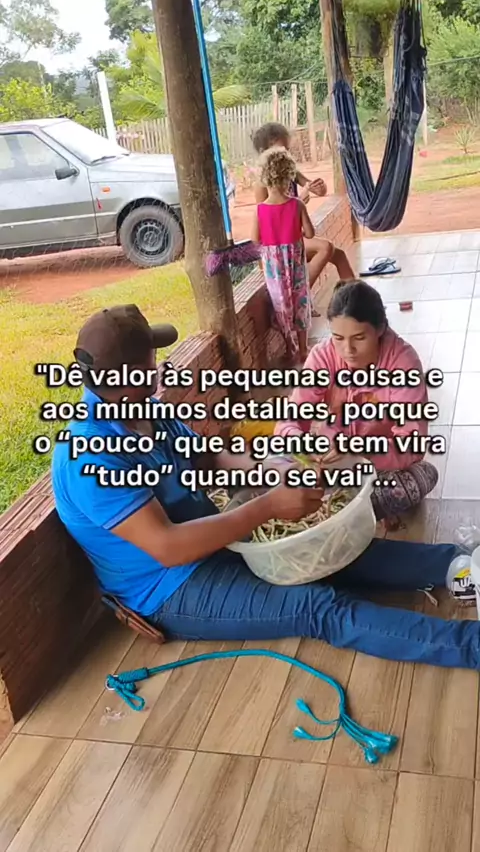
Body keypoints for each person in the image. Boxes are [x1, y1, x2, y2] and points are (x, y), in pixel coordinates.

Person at [52, 304, 480, 672]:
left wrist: (269, 469)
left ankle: (460, 563)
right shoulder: (90, 457)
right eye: (151, 361)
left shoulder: (145, 409)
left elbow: (207, 457)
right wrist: (269, 506)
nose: (158, 365)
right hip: (169, 586)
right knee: (318, 607)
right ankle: (470, 646)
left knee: (336, 551)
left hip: (214, 538)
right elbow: (168, 547)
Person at [275, 280, 439, 522]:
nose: (347, 349)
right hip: (329, 463)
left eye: (359, 337)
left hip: (379, 465)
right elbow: (288, 421)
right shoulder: (323, 357)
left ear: (380, 329)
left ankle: (333, 514)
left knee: (423, 476)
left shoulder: (403, 363)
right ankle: (345, 513)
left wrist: (360, 449)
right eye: (338, 337)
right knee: (272, 462)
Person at [252, 122, 356, 306]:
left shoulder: (289, 171)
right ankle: (300, 296)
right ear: (264, 152)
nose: (285, 154)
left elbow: (317, 190)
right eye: (281, 149)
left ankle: (357, 301)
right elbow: (268, 221)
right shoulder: (262, 184)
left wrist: (318, 187)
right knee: (326, 247)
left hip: (294, 239)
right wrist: (299, 201)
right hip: (279, 245)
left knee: (339, 255)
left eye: (287, 149)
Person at [251, 147, 315, 363]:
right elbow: (310, 233)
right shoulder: (297, 205)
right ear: (289, 176)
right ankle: (304, 349)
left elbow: (255, 239)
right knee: (300, 303)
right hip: (296, 265)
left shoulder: (259, 210)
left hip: (274, 269)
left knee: (281, 305)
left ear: (264, 179)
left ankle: (290, 348)